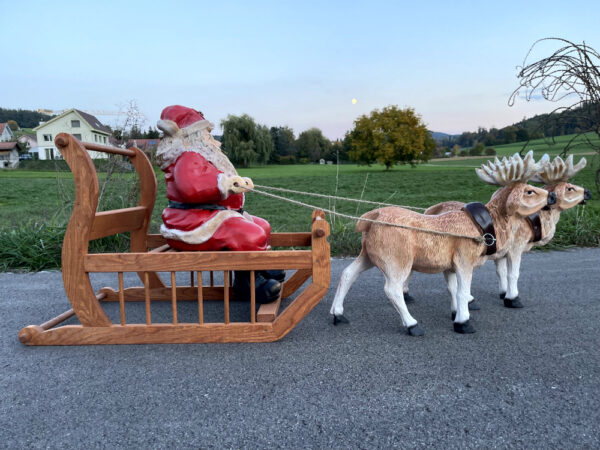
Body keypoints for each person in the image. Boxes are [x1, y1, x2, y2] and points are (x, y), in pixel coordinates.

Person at [156, 105, 284, 303]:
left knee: (263, 226)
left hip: (209, 214)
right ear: (194, 135)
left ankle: (259, 266)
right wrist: (225, 184)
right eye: (205, 132)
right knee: (250, 234)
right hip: (192, 220)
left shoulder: (203, 156)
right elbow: (192, 187)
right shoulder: (188, 157)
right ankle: (248, 283)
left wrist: (238, 183)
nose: (209, 137)